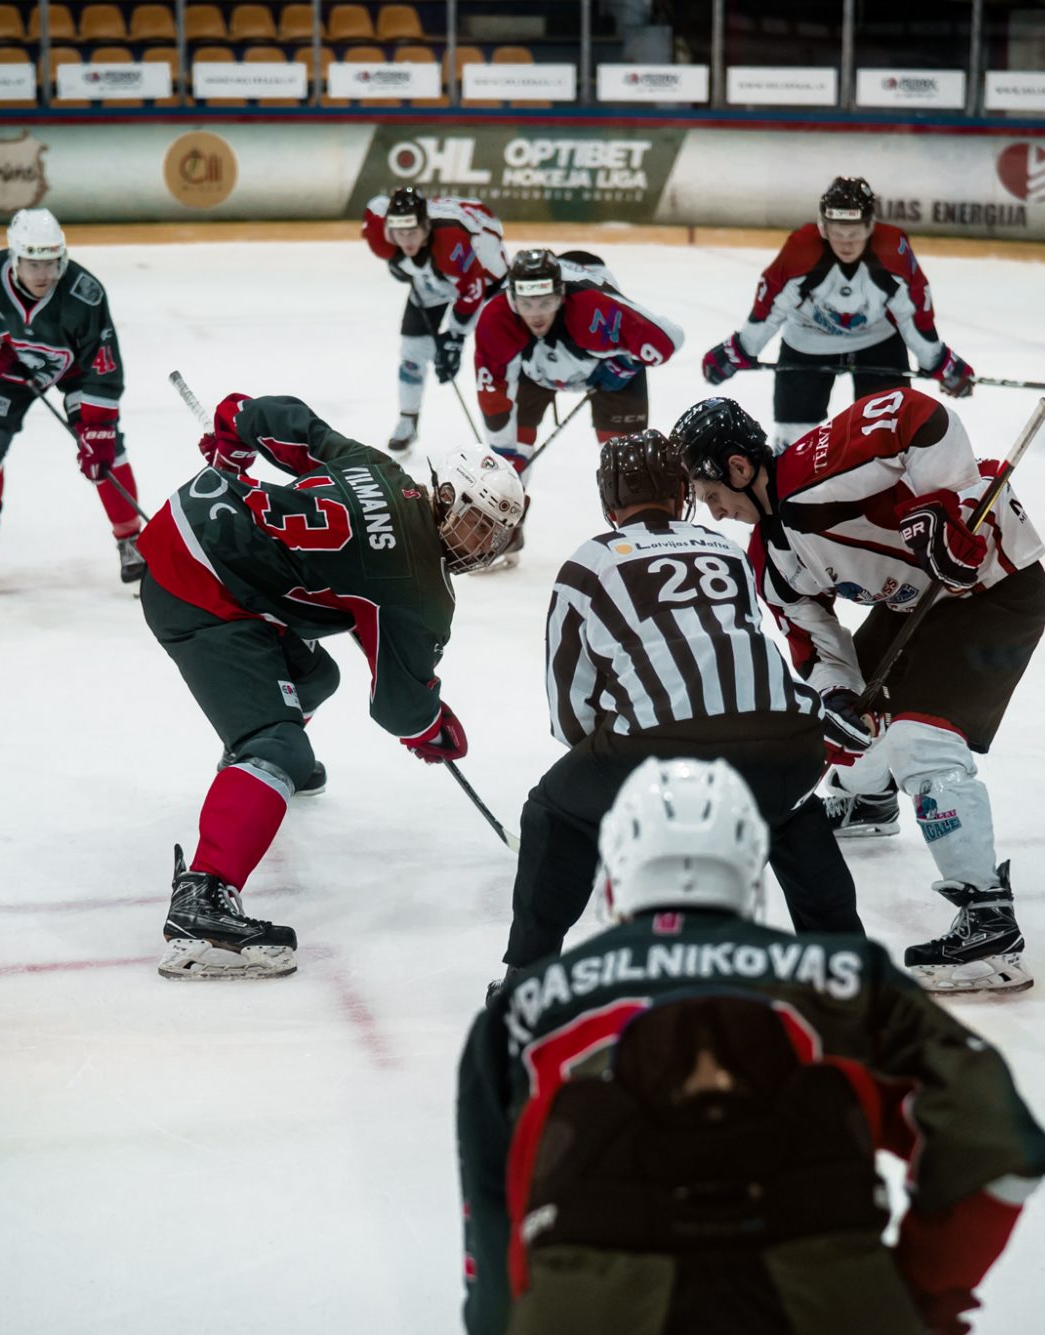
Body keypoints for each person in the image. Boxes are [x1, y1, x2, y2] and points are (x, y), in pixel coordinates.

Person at [458, 757, 1045, 1335]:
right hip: (834, 1302)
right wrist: (924, 1297)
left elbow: (488, 1219)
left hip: (589, 1308)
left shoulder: (523, 1009)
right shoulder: (849, 983)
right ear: (752, 870)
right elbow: (997, 1144)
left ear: (613, 873)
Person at [136, 393, 525, 979]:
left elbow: (284, 420)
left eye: (491, 534)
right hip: (200, 585)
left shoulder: (382, 469)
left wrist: (232, 433)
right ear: (445, 496)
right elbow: (399, 708)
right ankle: (203, 900)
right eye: (474, 523)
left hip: (202, 518)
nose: (480, 545)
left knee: (316, 675)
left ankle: (247, 773)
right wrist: (433, 726)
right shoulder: (424, 592)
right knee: (281, 748)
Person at [672, 392, 1045, 995]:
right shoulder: (769, 557)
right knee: (848, 720)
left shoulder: (815, 467)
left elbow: (919, 417)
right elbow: (817, 644)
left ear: (739, 468)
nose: (716, 513)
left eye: (713, 495)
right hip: (916, 607)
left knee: (919, 741)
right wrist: (836, 695)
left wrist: (947, 507)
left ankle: (989, 926)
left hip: (995, 589)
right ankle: (870, 799)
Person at [499, 430, 863, 980]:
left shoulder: (590, 561)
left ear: (609, 500)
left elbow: (571, 706)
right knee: (791, 812)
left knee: (554, 811)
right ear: (680, 493)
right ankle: (848, 971)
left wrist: (610, 771)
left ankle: (529, 975)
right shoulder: (726, 550)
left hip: (658, 749)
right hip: (789, 739)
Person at [0, 208, 143, 587]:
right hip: (10, 370)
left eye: (52, 263)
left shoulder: (83, 293)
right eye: (33, 264)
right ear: (15, 259)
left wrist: (97, 431)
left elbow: (102, 364)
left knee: (105, 452)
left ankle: (132, 540)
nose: (44, 273)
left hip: (76, 372)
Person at [699, 176, 976, 448]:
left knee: (890, 436)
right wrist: (741, 348)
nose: (846, 243)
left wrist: (937, 361)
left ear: (869, 227)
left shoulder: (892, 251)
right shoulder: (801, 251)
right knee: (794, 441)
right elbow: (770, 307)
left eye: (854, 233)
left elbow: (912, 313)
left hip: (876, 341)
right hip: (808, 339)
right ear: (823, 228)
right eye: (837, 233)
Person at [472, 247, 685, 473]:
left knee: (628, 466)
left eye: (545, 303)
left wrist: (625, 365)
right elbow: (491, 391)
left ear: (560, 295)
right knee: (507, 462)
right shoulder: (497, 318)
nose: (536, 315)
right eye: (526, 304)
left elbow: (670, 338)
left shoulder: (594, 308)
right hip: (532, 371)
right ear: (512, 300)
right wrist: (504, 451)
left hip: (606, 362)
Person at [360, 186, 508, 452]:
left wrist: (455, 338)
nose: (406, 241)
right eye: (399, 233)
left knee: (498, 350)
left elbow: (472, 291)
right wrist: (400, 262)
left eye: (412, 232)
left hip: (484, 271)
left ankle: (504, 434)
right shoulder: (380, 234)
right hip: (435, 278)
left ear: (426, 227)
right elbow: (377, 204)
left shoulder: (451, 241)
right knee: (412, 352)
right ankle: (407, 420)